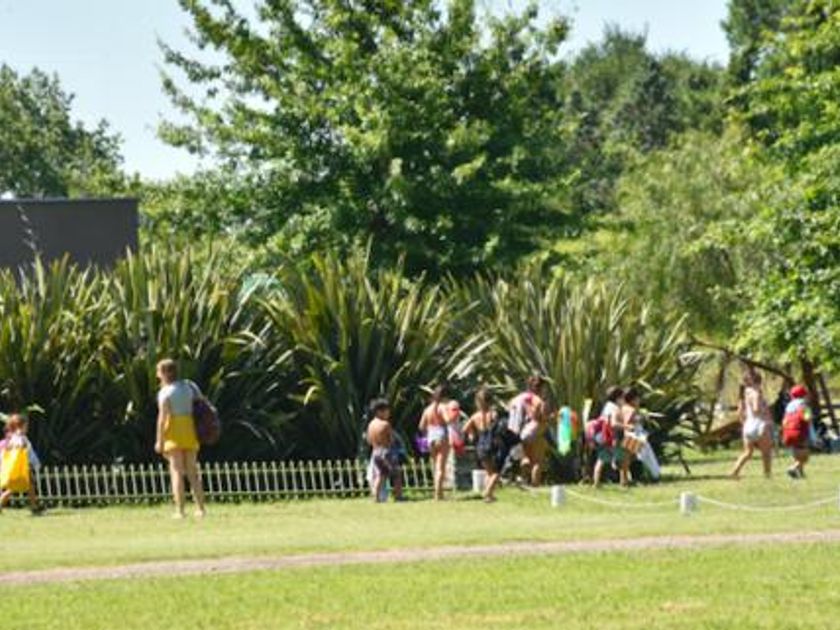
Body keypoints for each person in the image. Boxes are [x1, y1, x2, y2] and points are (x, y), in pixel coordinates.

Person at [155, 359, 207, 518]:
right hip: (190, 428)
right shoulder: (190, 386)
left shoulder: (165, 392)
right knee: (193, 471)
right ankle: (201, 509)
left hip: (173, 430)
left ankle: (180, 510)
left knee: (176, 471)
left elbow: (162, 419)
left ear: (165, 373)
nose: (157, 375)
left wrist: (160, 440)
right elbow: (201, 404)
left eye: (159, 372)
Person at [730, 370, 773, 479]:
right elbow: (756, 408)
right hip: (760, 424)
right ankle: (767, 474)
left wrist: (743, 421)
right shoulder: (756, 393)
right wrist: (765, 413)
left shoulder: (746, 393)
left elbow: (741, 411)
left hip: (748, 425)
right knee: (766, 452)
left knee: (747, 452)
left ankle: (735, 471)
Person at [463, 387, 500, 502]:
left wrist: (472, 434)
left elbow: (465, 429)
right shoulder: (493, 414)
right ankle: (487, 492)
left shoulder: (475, 416)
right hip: (491, 444)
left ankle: (489, 495)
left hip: (480, 444)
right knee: (496, 472)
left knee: (489, 471)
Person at [0, 414, 43, 514]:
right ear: (19, 427)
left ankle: (34, 506)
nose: (27, 428)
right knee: (21, 486)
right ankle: (33, 507)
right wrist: (36, 463)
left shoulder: (11, 438)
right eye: (25, 426)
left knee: (27, 486)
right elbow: (29, 452)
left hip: (17, 467)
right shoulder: (20, 438)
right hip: (21, 467)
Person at [512, 375, 548, 486]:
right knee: (538, 461)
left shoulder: (523, 399)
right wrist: (552, 417)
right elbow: (539, 417)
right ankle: (535, 484)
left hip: (523, 432)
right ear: (541, 388)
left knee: (526, 458)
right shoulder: (539, 401)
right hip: (536, 431)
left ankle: (523, 480)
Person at [366, 398, 404, 502]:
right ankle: (398, 496)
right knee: (396, 474)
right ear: (379, 411)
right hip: (386, 452)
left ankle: (376, 497)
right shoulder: (385, 424)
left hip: (376, 452)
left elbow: (369, 440)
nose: (388, 413)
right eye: (386, 411)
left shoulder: (371, 424)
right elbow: (391, 439)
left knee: (380, 475)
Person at [419, 384, 450, 500]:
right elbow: (447, 420)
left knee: (435, 466)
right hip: (441, 434)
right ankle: (438, 494)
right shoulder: (442, 407)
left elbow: (421, 426)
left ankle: (437, 492)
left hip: (430, 436)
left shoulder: (427, 409)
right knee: (441, 467)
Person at [592, 386, 623, 487]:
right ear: (617, 398)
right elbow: (613, 424)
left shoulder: (607, 406)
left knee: (601, 460)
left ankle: (596, 483)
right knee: (621, 459)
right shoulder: (615, 408)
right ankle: (624, 482)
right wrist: (626, 426)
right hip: (611, 438)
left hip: (602, 436)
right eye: (622, 397)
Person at [781, 385, 813, 479]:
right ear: (804, 395)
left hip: (788, 432)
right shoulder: (803, 404)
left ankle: (800, 474)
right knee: (805, 455)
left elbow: (784, 420)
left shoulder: (789, 406)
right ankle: (793, 468)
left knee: (797, 454)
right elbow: (807, 418)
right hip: (800, 432)